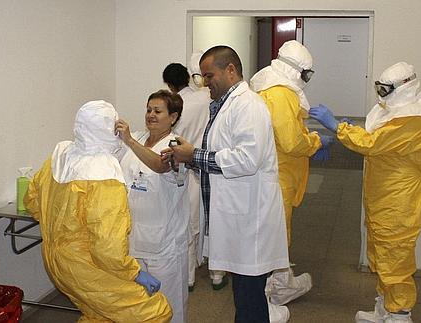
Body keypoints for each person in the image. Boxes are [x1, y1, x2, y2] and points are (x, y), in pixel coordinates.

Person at [165, 45, 290, 323]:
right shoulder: (225, 106)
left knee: (249, 298)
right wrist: (190, 155)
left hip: (250, 222)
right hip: (238, 219)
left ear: (230, 70)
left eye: (209, 76)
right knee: (245, 297)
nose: (204, 83)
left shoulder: (248, 106)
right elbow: (223, 151)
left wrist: (194, 155)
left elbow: (247, 160)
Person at [309, 62, 421, 323]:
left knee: (396, 257)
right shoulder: (398, 110)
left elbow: (373, 143)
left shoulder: (414, 118)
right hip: (385, 192)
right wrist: (350, 128)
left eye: (384, 89)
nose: (380, 93)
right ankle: (385, 307)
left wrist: (337, 127)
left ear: (403, 88)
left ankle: (400, 313)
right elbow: (377, 136)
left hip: (400, 196)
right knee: (382, 252)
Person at [24, 100, 172, 322]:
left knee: (98, 315)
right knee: (155, 312)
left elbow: (32, 201)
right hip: (86, 267)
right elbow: (107, 246)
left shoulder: (60, 155)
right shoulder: (103, 174)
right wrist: (133, 272)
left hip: (55, 260)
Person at [250, 40, 333, 306]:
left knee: (274, 231)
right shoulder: (281, 94)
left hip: (272, 172)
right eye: (306, 74)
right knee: (274, 234)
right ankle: (270, 296)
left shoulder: (266, 86)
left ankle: (282, 282)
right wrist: (316, 141)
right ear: (295, 70)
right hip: (278, 174)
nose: (306, 79)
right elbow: (290, 141)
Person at [115, 90, 189, 323]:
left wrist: (129, 141)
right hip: (134, 239)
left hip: (165, 244)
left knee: (169, 307)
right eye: (148, 110)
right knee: (139, 308)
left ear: (173, 117)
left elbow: (160, 165)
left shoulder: (177, 146)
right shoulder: (135, 139)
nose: (151, 115)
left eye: (158, 111)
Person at [162, 59, 227, 291]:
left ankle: (188, 277)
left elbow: (170, 142)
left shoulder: (177, 106)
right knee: (214, 221)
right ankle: (217, 274)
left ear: (170, 85)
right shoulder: (207, 98)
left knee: (189, 224)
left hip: (189, 171)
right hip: (211, 167)